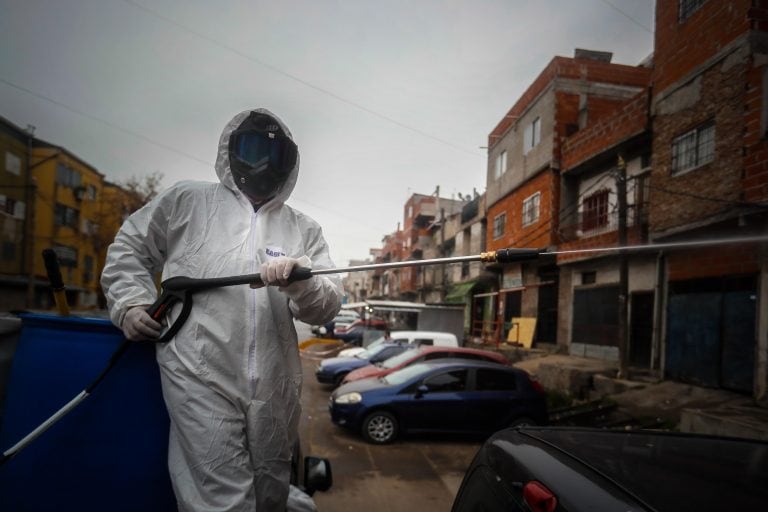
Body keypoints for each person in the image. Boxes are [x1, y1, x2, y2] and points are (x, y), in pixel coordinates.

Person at [101, 108, 342, 511]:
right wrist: (129, 303)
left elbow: (326, 307)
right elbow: (130, 247)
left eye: (275, 153)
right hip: (198, 371)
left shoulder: (303, 229)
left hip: (275, 385)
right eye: (251, 148)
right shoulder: (188, 201)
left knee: (270, 490)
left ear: (290, 160)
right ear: (231, 151)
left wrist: (304, 282)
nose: (263, 163)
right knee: (221, 500)